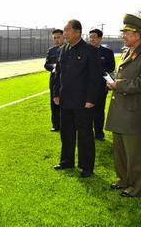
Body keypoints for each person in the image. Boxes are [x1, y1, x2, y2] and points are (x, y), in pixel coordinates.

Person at [105, 14, 141, 197]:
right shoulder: (127, 52)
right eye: (124, 32)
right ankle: (123, 180)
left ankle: (137, 187)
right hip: (120, 109)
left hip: (134, 112)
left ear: (138, 35)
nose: (123, 36)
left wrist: (118, 85)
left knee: (135, 153)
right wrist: (114, 82)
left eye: (127, 33)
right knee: (120, 150)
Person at [53, 19, 102, 178]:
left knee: (85, 134)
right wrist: (56, 93)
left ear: (77, 32)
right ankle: (66, 161)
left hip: (83, 102)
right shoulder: (64, 49)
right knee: (66, 132)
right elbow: (58, 74)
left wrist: (91, 99)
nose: (64, 33)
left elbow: (95, 78)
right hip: (65, 100)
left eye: (67, 30)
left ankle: (86, 166)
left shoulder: (90, 50)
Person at [89, 29, 116, 141]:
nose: (92, 39)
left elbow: (111, 67)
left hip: (101, 87)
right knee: (86, 111)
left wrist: (98, 71)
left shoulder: (107, 52)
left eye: (94, 37)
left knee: (99, 111)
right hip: (86, 88)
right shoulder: (85, 51)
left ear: (100, 38)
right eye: (90, 37)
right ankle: (87, 133)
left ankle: (99, 133)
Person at [44, 29, 64, 132]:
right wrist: (53, 66)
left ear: (63, 36)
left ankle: (67, 124)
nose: (56, 40)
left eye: (58, 37)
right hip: (54, 81)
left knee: (65, 102)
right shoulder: (51, 50)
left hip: (66, 80)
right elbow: (46, 65)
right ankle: (55, 125)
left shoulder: (68, 49)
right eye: (54, 38)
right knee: (54, 102)